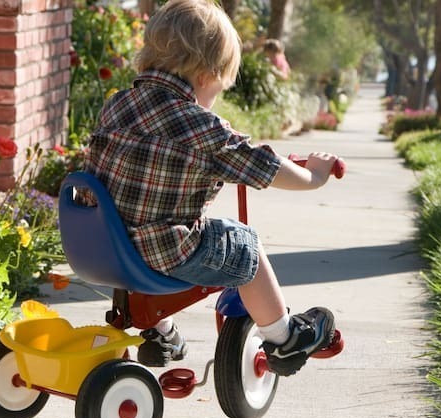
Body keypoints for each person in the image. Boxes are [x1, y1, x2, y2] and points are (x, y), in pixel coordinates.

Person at [83, 0, 341, 376]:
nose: (213, 100)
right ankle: (285, 338)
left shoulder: (117, 105)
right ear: (205, 75)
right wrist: (314, 176)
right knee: (243, 246)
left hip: (101, 245)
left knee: (143, 219)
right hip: (163, 251)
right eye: (218, 87)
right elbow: (263, 166)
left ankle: (160, 332)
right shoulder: (204, 129)